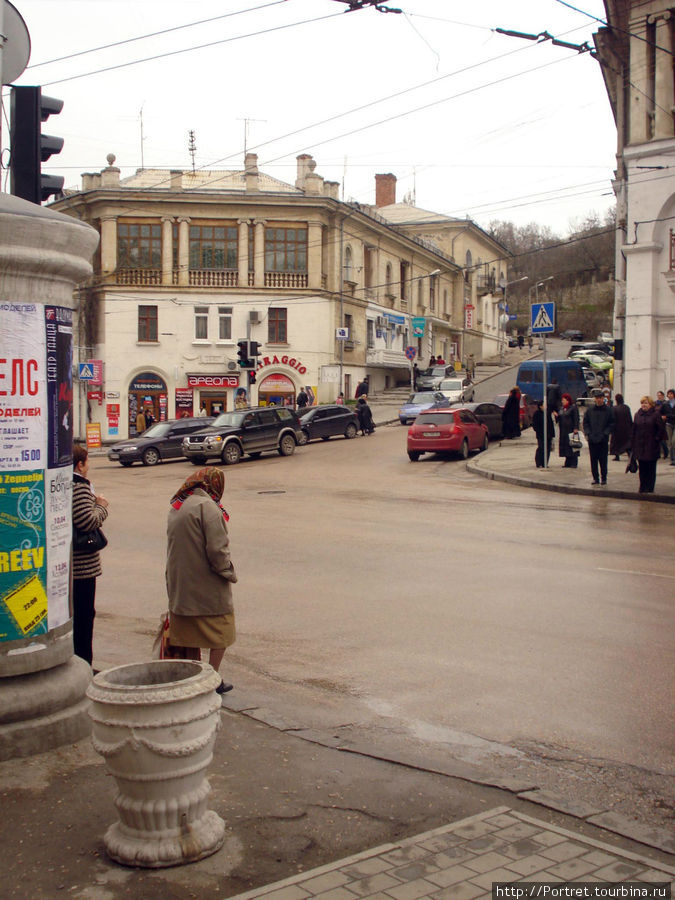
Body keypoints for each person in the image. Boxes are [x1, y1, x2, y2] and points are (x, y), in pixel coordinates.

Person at [166, 468, 237, 694]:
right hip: (205, 585)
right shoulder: (209, 509)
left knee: (189, 634)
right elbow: (218, 550)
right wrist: (228, 572)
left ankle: (193, 677)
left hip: (180, 583)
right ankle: (212, 678)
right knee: (222, 631)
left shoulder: (179, 505)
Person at [72, 444, 109, 666]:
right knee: (85, 617)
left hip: (73, 566)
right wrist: (102, 506)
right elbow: (88, 521)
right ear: (80, 464)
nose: (88, 467)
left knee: (80, 616)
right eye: (87, 462)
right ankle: (84, 665)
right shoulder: (79, 486)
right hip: (82, 566)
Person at [631, 396, 664, 494]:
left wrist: (656, 439)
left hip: (651, 446)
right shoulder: (637, 415)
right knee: (642, 467)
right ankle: (642, 486)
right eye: (642, 403)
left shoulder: (655, 415)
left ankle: (650, 487)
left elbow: (661, 429)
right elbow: (634, 429)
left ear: (650, 404)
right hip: (640, 446)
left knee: (651, 468)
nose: (643, 405)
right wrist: (632, 443)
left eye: (646, 403)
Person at [583, 392, 614, 485]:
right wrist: (588, 433)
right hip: (592, 439)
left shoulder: (608, 410)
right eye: (597, 398)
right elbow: (586, 423)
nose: (598, 400)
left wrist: (605, 433)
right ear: (594, 399)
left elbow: (611, 423)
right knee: (593, 460)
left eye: (600, 398)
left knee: (603, 460)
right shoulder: (590, 410)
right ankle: (595, 478)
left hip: (603, 440)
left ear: (603, 398)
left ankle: (603, 477)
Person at [555, 392, 580, 468]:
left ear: (567, 400)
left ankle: (574, 462)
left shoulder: (573, 408)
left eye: (563, 400)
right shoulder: (562, 408)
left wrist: (576, 428)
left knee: (573, 446)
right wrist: (556, 416)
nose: (562, 401)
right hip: (563, 431)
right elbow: (560, 418)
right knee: (566, 446)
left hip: (571, 430)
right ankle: (567, 461)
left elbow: (576, 418)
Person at [609, 394, 632, 461]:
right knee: (627, 443)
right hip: (626, 429)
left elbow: (613, 419)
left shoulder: (614, 408)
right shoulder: (626, 407)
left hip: (617, 429)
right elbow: (629, 418)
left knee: (616, 443)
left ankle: (617, 456)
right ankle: (629, 454)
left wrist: (612, 428)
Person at [532, 401, 554, 468]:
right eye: (544, 405)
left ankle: (545, 463)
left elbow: (551, 424)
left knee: (547, 449)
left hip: (548, 435)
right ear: (540, 406)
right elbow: (535, 425)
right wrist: (539, 432)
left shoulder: (547, 413)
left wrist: (552, 434)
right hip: (541, 435)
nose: (545, 407)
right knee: (541, 448)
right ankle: (539, 463)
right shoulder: (537, 414)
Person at [661, 388, 675, 465]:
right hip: (668, 424)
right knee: (669, 442)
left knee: (674, 441)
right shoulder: (665, 404)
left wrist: (667, 416)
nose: (670, 395)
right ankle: (672, 459)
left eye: (671, 394)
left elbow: (667, 415)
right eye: (668, 394)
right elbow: (661, 413)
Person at [654, 391, 669, 459]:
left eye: (660, 395)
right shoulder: (655, 403)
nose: (659, 396)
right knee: (657, 439)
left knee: (662, 439)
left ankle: (666, 451)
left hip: (663, 422)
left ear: (663, 396)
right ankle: (658, 453)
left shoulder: (665, 403)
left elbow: (667, 412)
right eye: (658, 395)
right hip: (656, 422)